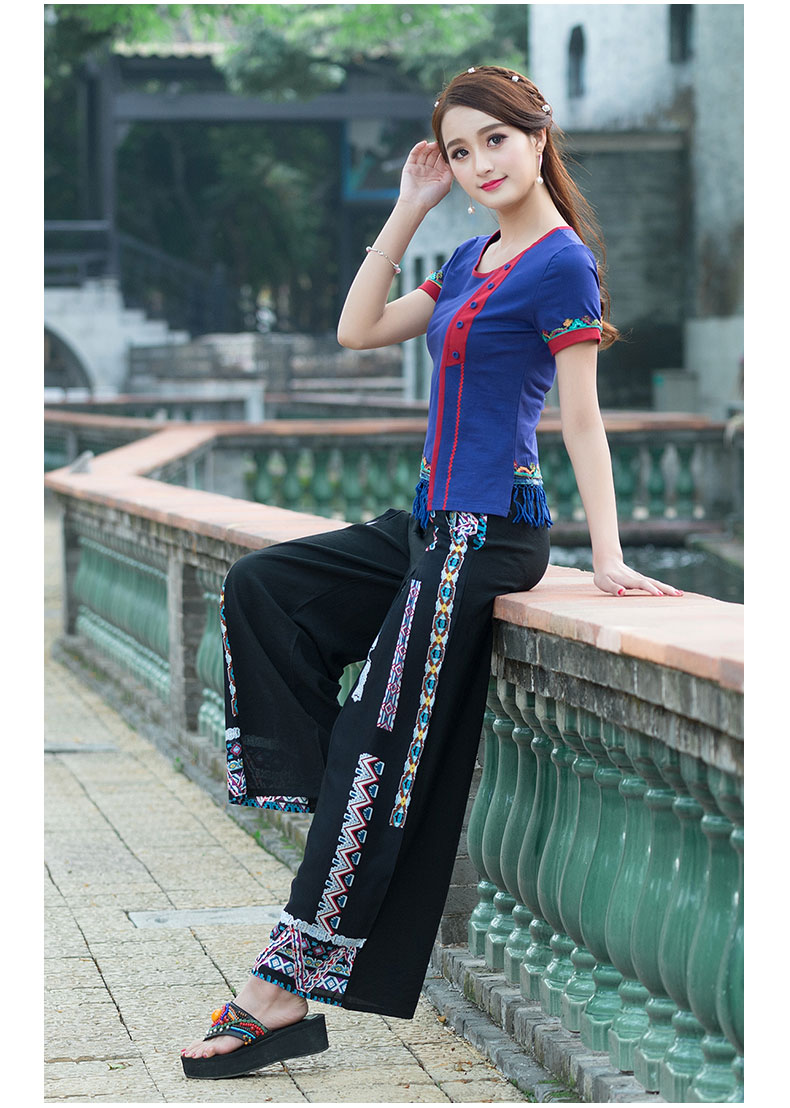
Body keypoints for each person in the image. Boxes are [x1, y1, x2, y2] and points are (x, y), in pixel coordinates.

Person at [181, 64, 682, 1080]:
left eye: (495, 140)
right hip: (428, 524)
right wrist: (409, 207)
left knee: (380, 740)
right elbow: (356, 330)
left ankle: (280, 992)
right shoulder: (467, 258)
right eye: (459, 151)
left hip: (485, 534)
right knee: (264, 588)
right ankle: (341, 802)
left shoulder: (562, 265)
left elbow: (581, 419)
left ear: (537, 138)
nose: (479, 163)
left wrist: (609, 555)